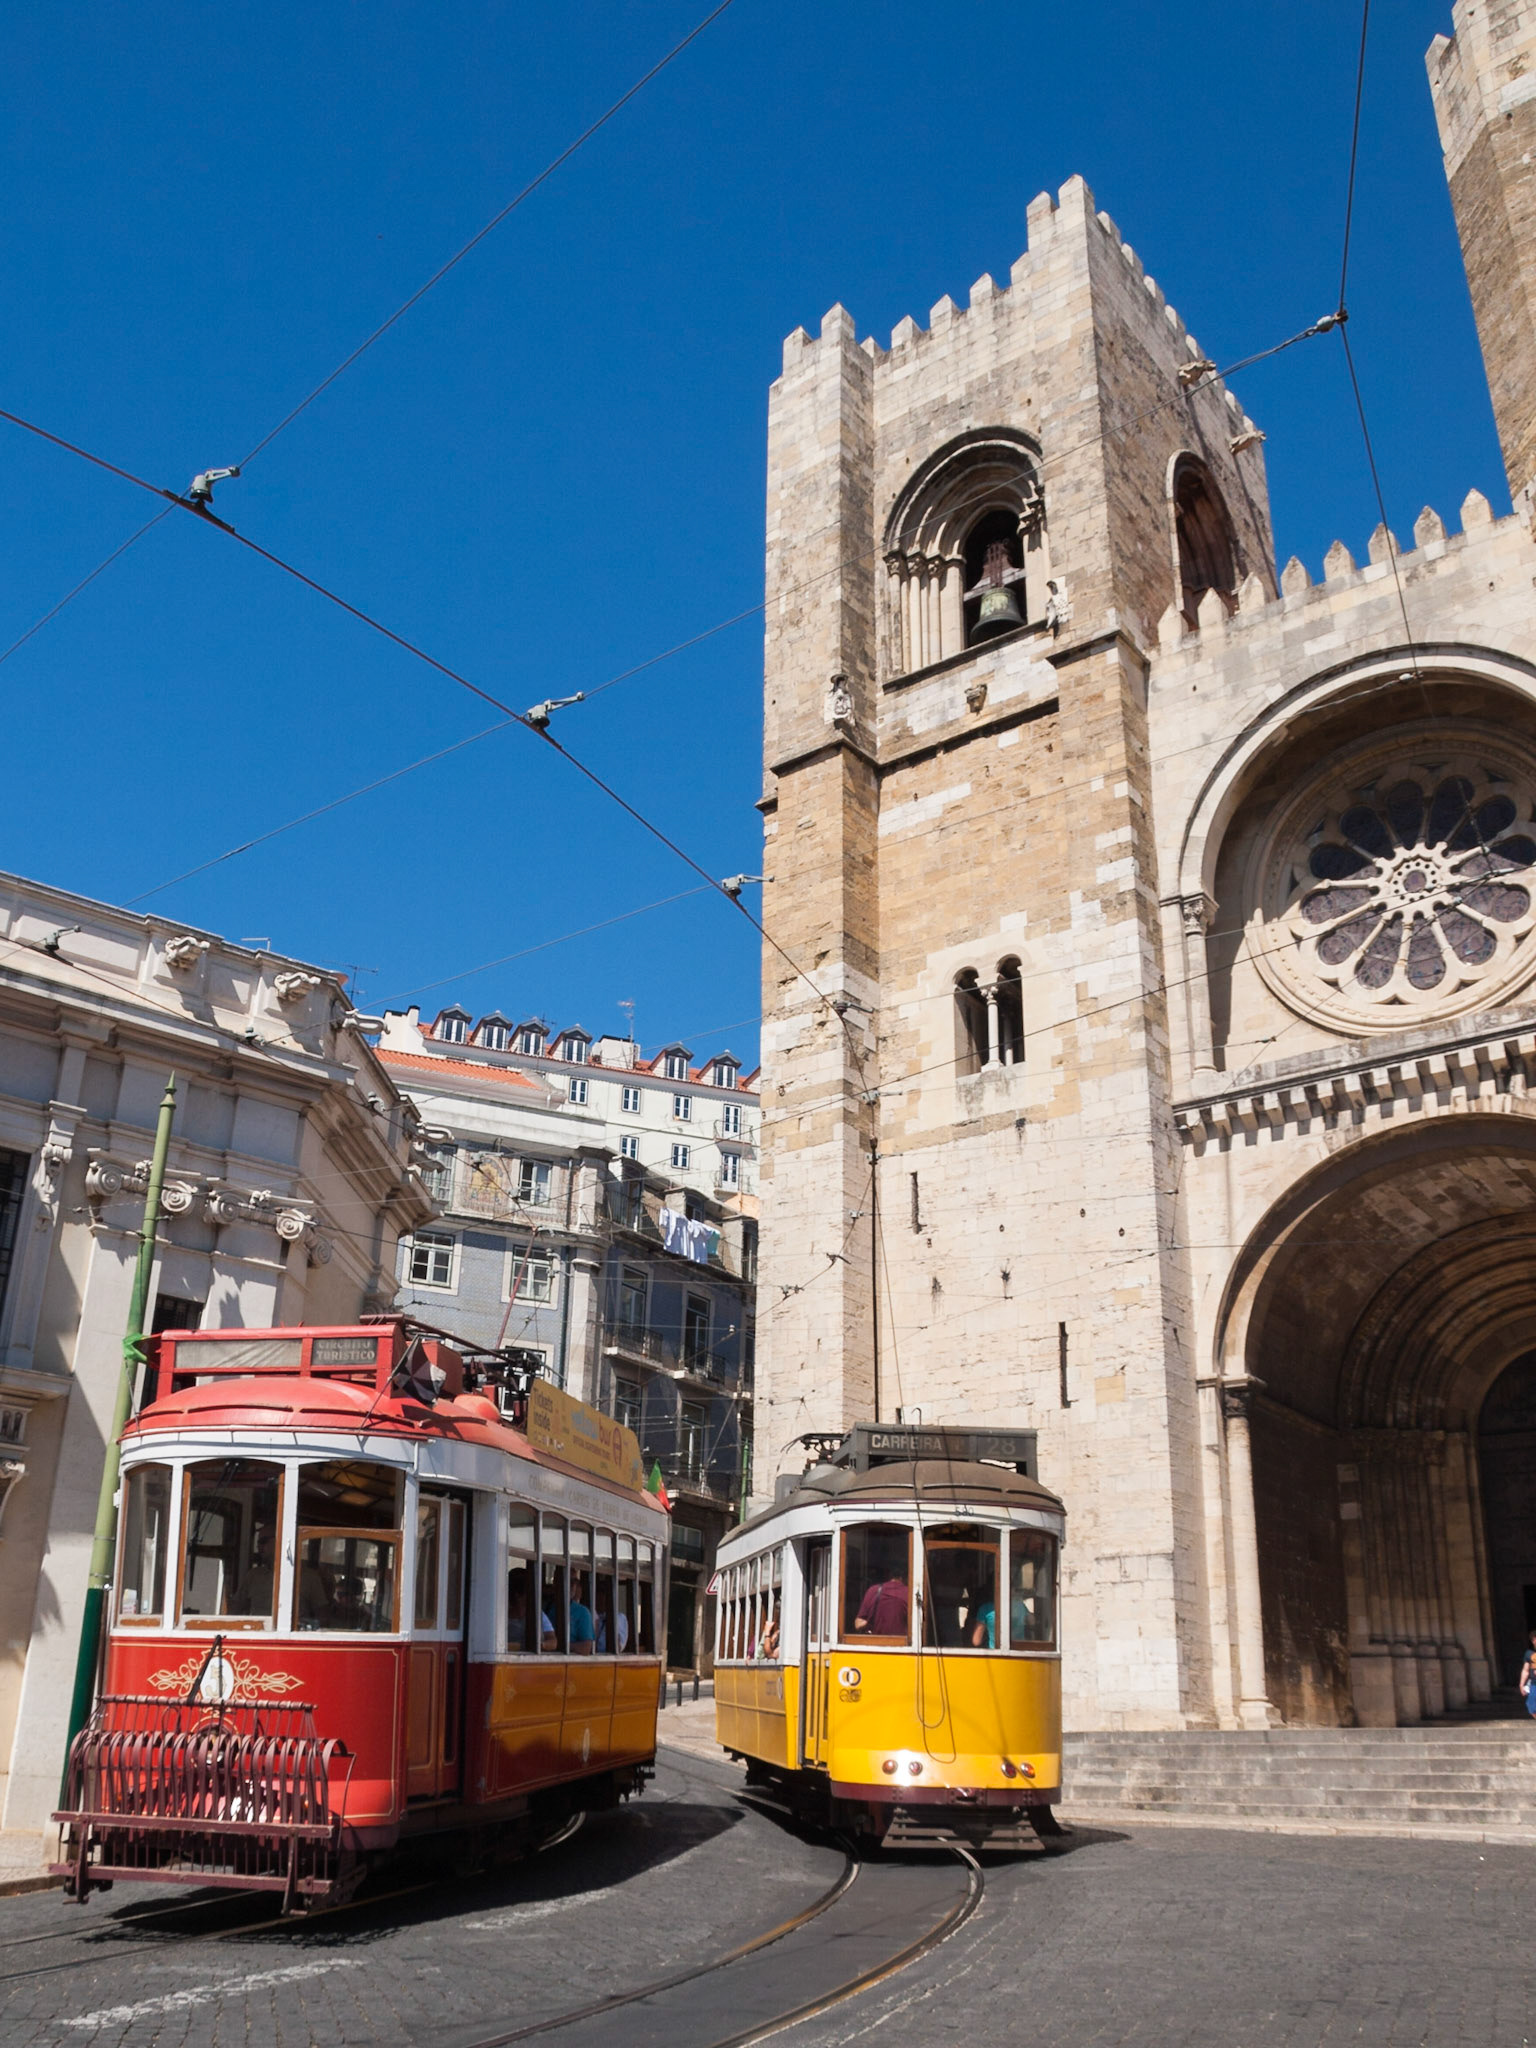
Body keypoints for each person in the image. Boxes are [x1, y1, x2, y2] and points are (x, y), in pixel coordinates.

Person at [853, 1570, 909, 1637]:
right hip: (902, 1643)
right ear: (905, 1577)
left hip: (876, 1642)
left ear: (888, 1576)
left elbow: (858, 1624)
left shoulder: (873, 1590)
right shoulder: (909, 1593)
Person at [569, 1572, 596, 1654]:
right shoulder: (547, 1607)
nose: (571, 1586)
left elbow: (586, 1647)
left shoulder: (582, 1612)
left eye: (574, 1583)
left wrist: (564, 1646)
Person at [1521, 1630, 1536, 1718]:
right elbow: (1525, 1670)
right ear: (1533, 1640)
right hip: (1534, 1684)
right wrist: (1521, 1684)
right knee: (1531, 1706)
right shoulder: (1529, 1654)